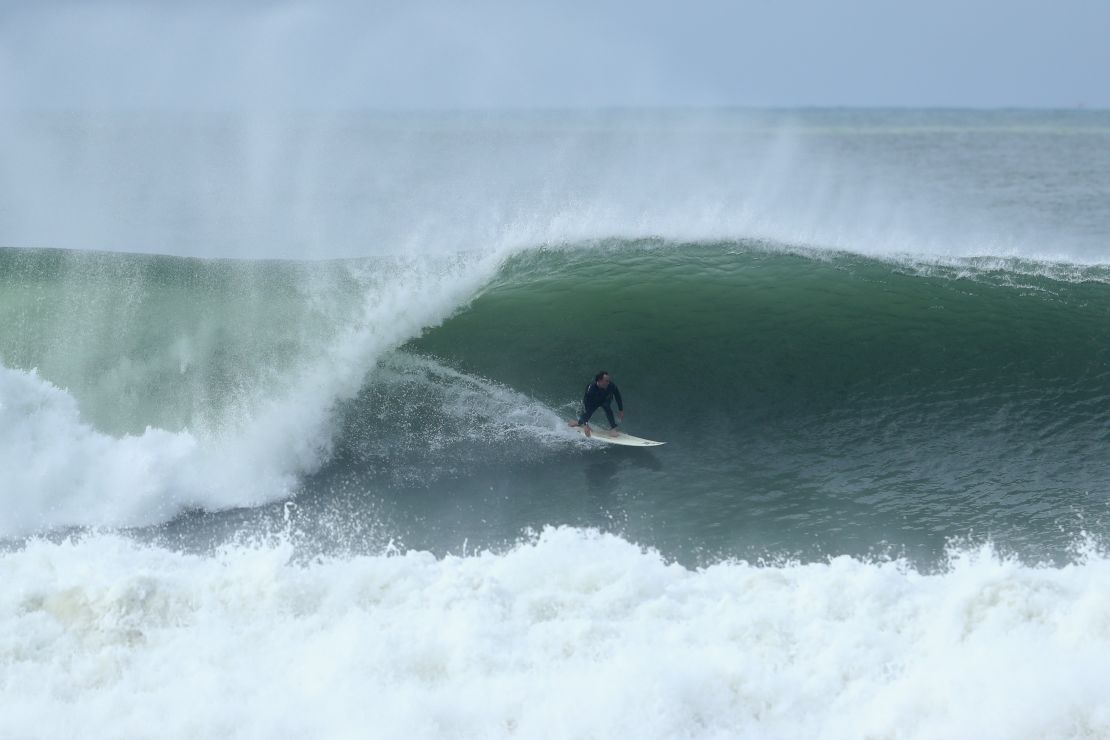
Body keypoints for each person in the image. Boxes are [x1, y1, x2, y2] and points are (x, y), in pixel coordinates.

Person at [568, 370, 624, 438]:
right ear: (600, 380)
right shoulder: (591, 389)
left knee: (608, 409)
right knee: (588, 413)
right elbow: (585, 407)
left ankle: (613, 429)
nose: (608, 383)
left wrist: (621, 410)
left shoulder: (611, 385)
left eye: (608, 380)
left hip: (605, 400)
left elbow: (617, 396)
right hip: (593, 402)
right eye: (606, 381)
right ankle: (579, 423)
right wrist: (586, 425)